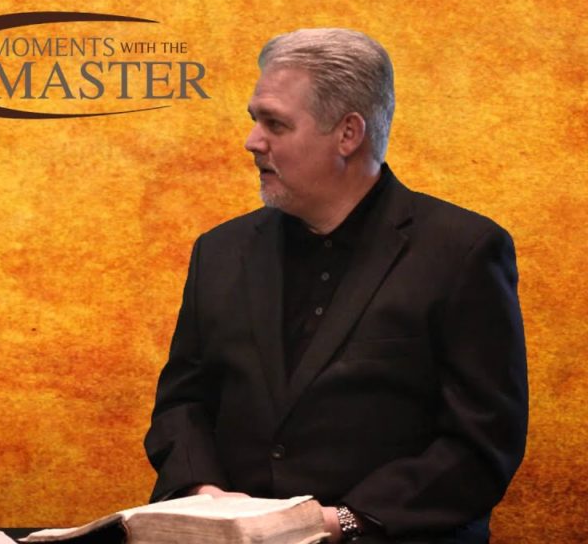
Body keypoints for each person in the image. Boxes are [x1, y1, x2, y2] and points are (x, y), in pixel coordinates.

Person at [144, 28, 528, 543]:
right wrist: (205, 497)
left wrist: (339, 522)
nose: (252, 141)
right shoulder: (219, 250)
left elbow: (482, 441)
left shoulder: (464, 251)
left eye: (275, 123)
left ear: (348, 134)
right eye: (255, 119)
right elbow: (182, 403)